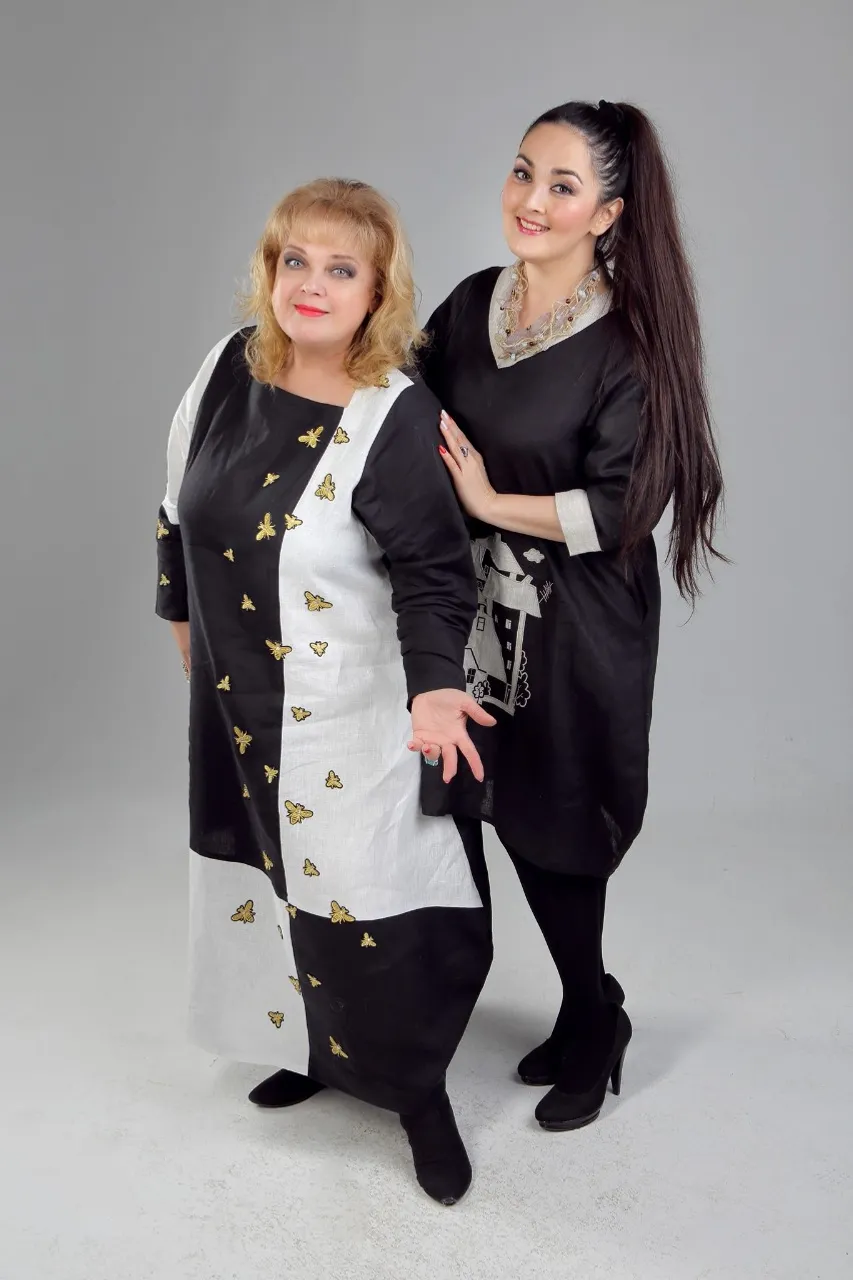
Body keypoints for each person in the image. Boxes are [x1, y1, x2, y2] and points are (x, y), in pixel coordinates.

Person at [155, 177, 496, 1204]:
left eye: (340, 269)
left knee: (367, 905)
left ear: (376, 291)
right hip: (236, 704)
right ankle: (310, 1048)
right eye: (294, 260)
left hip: (347, 712)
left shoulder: (393, 414)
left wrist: (434, 692)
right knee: (268, 884)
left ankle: (419, 1095)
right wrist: (181, 619)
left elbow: (436, 573)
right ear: (269, 271)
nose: (311, 284)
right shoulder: (227, 370)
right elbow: (174, 506)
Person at [415, 101, 725, 1131]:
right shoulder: (471, 304)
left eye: (561, 185)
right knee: (486, 802)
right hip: (470, 612)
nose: (531, 200)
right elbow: (402, 412)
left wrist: (487, 500)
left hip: (578, 620)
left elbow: (623, 507)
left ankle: (593, 1019)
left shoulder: (627, 344)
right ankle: (583, 1004)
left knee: (557, 818)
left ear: (608, 212)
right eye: (521, 172)